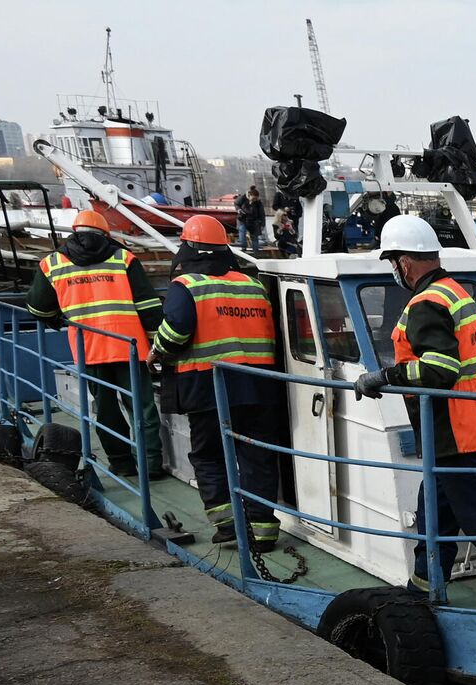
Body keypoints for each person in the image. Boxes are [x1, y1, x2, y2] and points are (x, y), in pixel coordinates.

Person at [352, 215, 476, 610]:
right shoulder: (455, 291)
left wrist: (386, 376)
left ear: (404, 263)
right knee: (434, 515)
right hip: (457, 425)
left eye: (393, 263)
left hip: (451, 429)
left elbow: (439, 369)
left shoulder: (426, 304)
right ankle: (424, 586)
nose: (394, 272)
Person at [146, 215, 284, 548]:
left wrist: (156, 352)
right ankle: (263, 531)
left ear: (188, 247)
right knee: (257, 456)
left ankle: (227, 527)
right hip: (258, 385)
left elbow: (176, 329)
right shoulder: (252, 285)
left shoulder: (188, 286)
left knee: (208, 455)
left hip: (206, 384)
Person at [24, 208, 165, 475]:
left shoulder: (53, 263)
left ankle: (122, 464)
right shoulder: (124, 258)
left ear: (74, 232)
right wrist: (156, 347)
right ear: (106, 234)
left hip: (88, 348)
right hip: (130, 348)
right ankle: (151, 465)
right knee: (142, 407)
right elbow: (148, 306)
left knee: (106, 410)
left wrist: (59, 320)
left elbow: (38, 308)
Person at [237, 186, 267, 254]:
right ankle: (243, 248)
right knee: (242, 233)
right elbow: (236, 204)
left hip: (254, 221)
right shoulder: (243, 198)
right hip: (243, 219)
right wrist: (239, 210)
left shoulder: (258, 203)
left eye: (256, 199)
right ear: (249, 196)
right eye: (253, 198)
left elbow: (262, 214)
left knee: (254, 236)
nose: (254, 200)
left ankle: (256, 251)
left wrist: (262, 224)